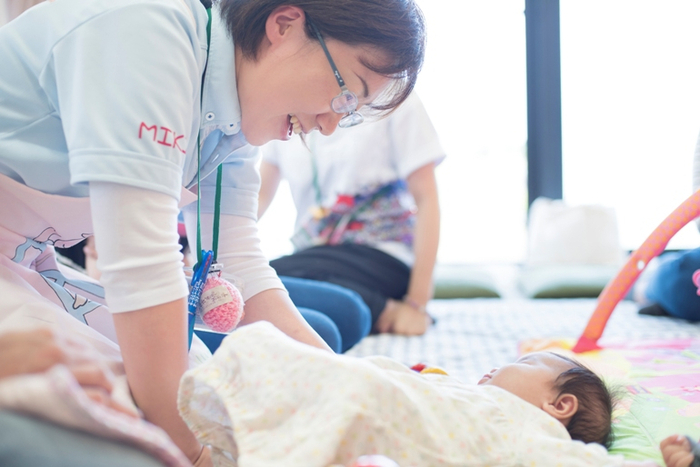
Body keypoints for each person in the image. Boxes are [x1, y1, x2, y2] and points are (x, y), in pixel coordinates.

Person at [0, 0, 426, 464]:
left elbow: (240, 262)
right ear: (284, 25)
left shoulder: (233, 117)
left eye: (351, 113)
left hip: (22, 261)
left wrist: (355, 391)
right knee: (109, 400)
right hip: (25, 262)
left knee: (198, 382)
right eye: (346, 94)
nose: (329, 125)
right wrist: (194, 455)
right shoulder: (147, 33)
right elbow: (143, 269)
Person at [178, 321, 696, 466]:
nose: (499, 367)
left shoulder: (541, 439)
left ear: (558, 406)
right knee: (230, 356)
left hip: (367, 411)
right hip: (374, 400)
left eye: (523, 363)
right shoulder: (473, 395)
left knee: (269, 354)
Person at [259, 91, 444, 337]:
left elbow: (426, 199)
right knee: (261, 279)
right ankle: (370, 310)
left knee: (275, 282)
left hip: (381, 256)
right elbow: (258, 197)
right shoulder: (287, 108)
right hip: (315, 256)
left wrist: (417, 303)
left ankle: (378, 309)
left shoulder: (395, 96)